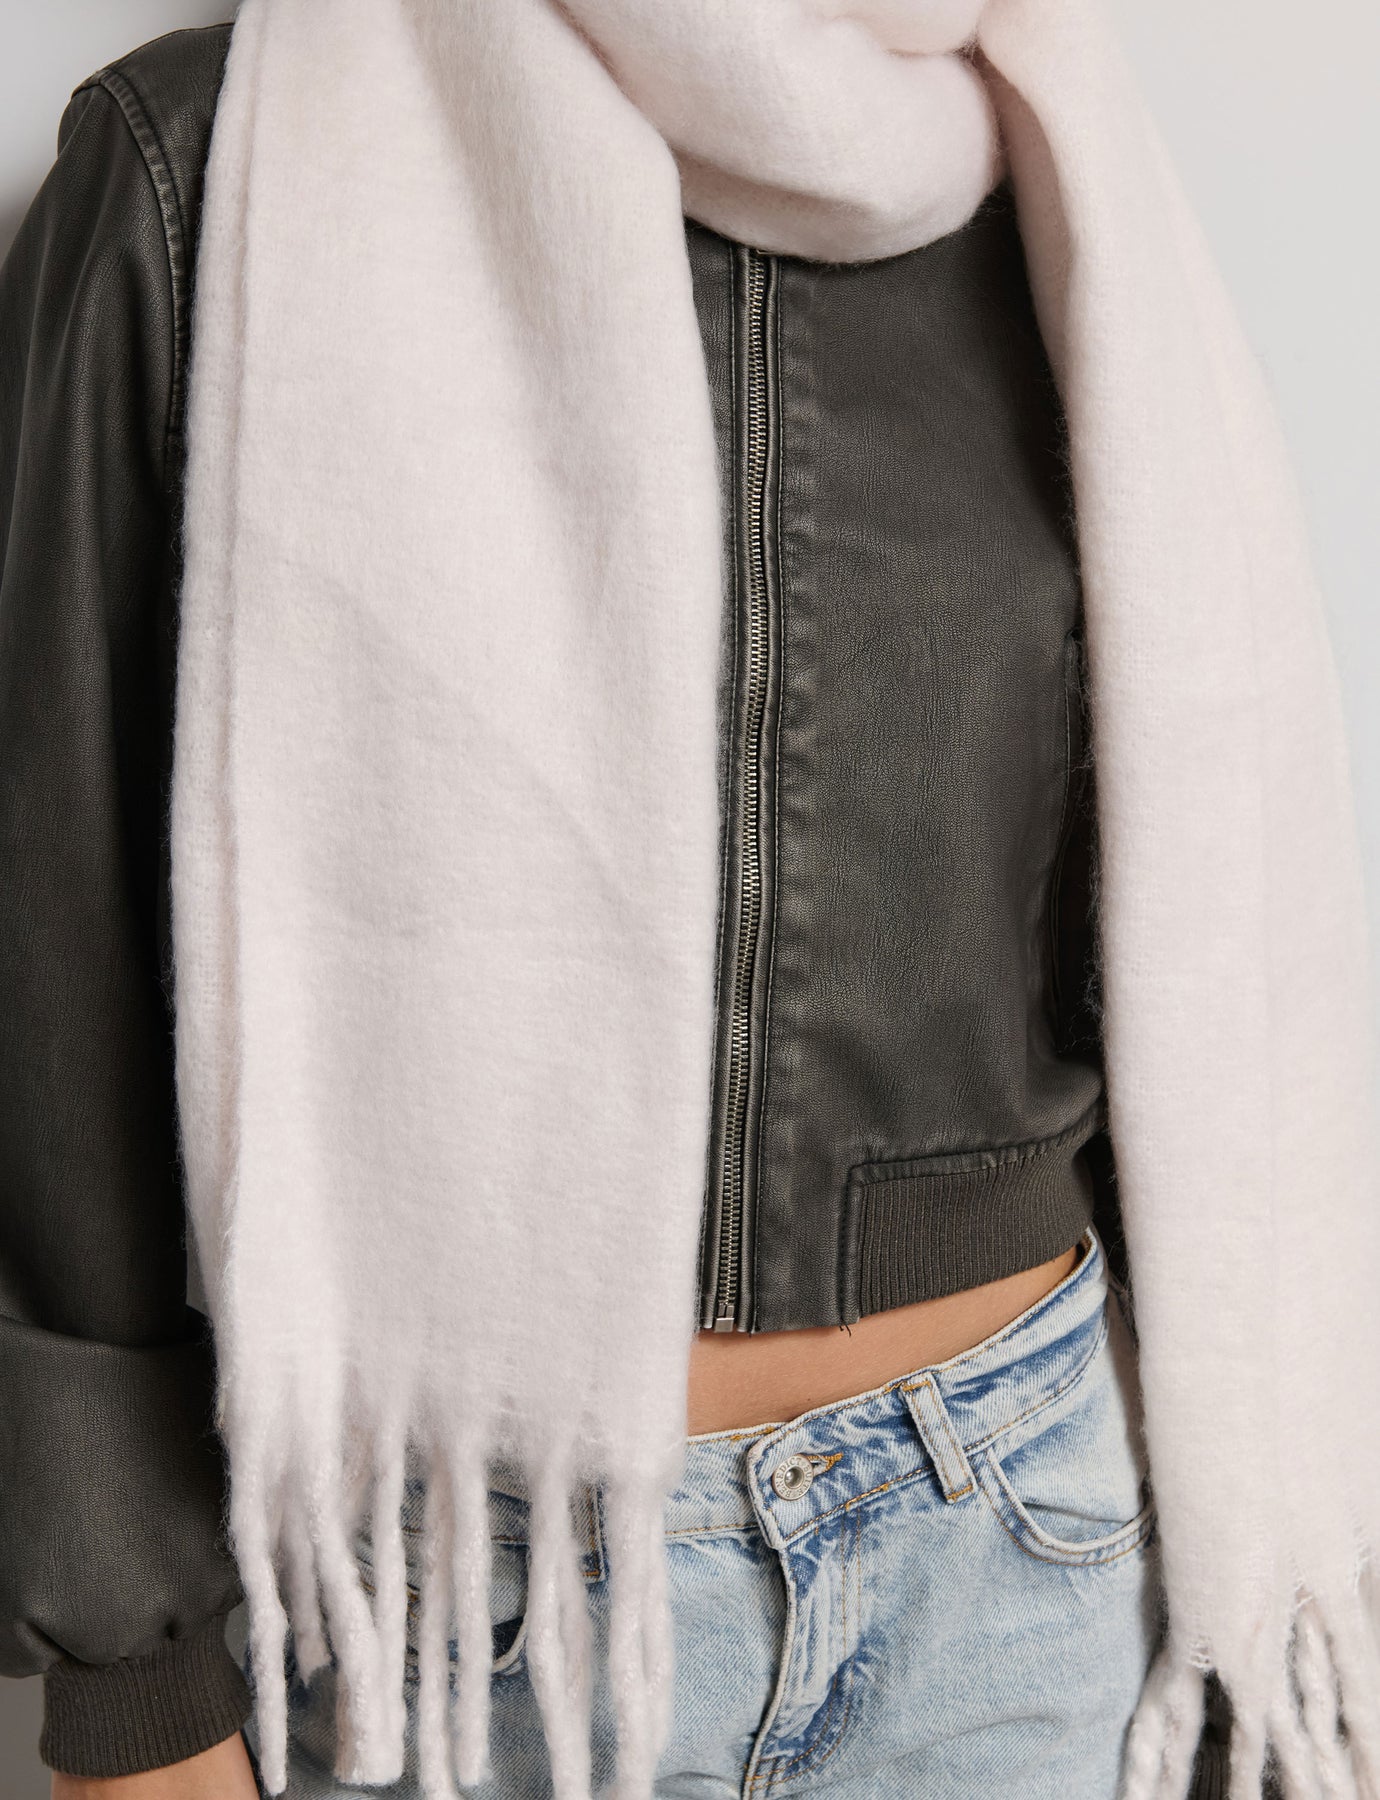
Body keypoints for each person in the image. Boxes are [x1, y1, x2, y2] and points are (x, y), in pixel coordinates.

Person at [1, 6, 1374, 1800]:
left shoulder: (1055, 173)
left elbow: (1193, 944)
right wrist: (135, 1692)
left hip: (1020, 1565)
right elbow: (56, 940)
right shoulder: (215, 159)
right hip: (458, 1618)